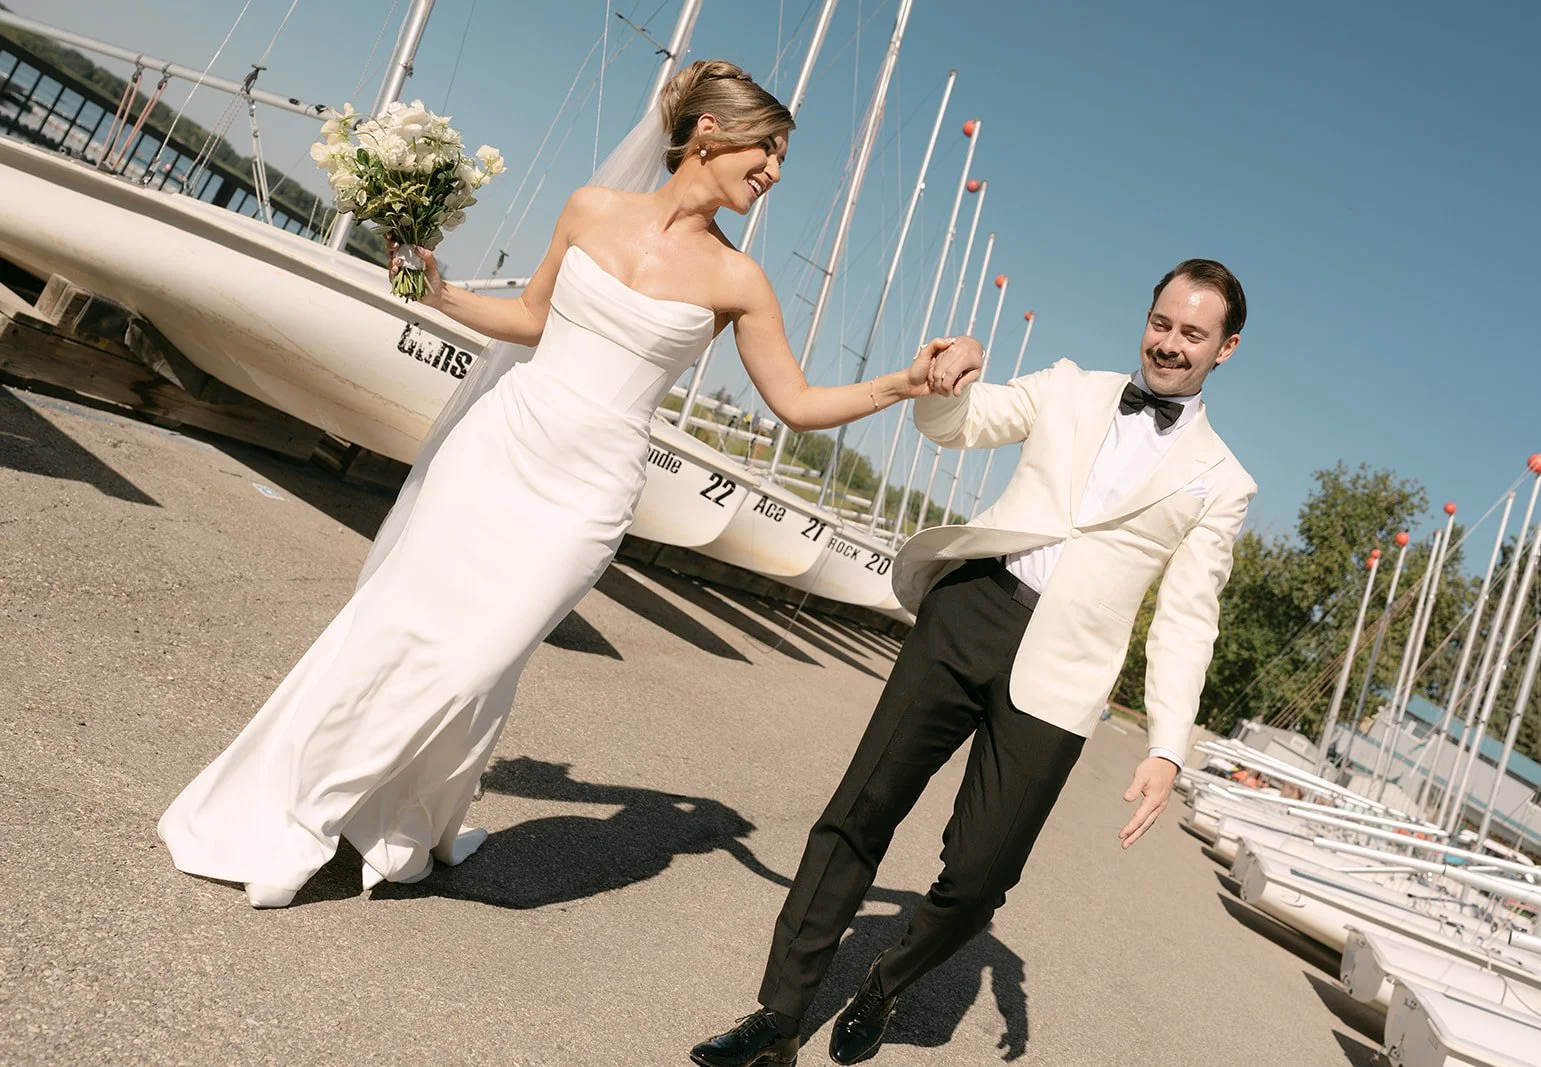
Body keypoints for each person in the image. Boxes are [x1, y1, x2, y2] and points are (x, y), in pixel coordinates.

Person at [157, 59, 974, 910]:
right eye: (766, 151)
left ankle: (360, 811)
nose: (772, 173)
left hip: (587, 494)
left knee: (470, 662)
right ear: (708, 134)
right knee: (393, 625)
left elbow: (798, 405)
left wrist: (904, 385)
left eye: (778, 160)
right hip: (500, 447)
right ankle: (300, 818)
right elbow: (535, 318)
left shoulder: (739, 281)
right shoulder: (591, 209)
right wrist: (440, 292)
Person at [691, 260, 1256, 1066]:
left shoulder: (1223, 481)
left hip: (1064, 678)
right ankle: (777, 1017)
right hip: (974, 608)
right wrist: (951, 373)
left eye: (1192, 334)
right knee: (862, 808)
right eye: (1161, 323)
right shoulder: (1068, 385)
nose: (1169, 344)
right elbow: (960, 423)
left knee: (983, 875)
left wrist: (1169, 745)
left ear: (1224, 348)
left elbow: (1188, 618)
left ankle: (884, 983)